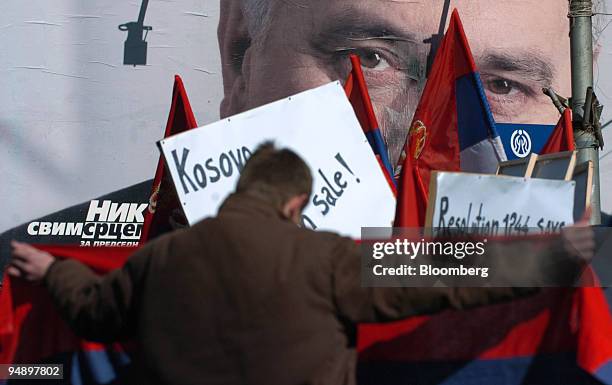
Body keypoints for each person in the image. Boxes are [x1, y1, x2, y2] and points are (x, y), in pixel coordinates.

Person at [11, 142, 588, 385]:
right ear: (294, 203)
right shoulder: (323, 258)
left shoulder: (159, 257)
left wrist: (52, 268)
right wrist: (551, 257)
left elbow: (92, 313)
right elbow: (439, 271)